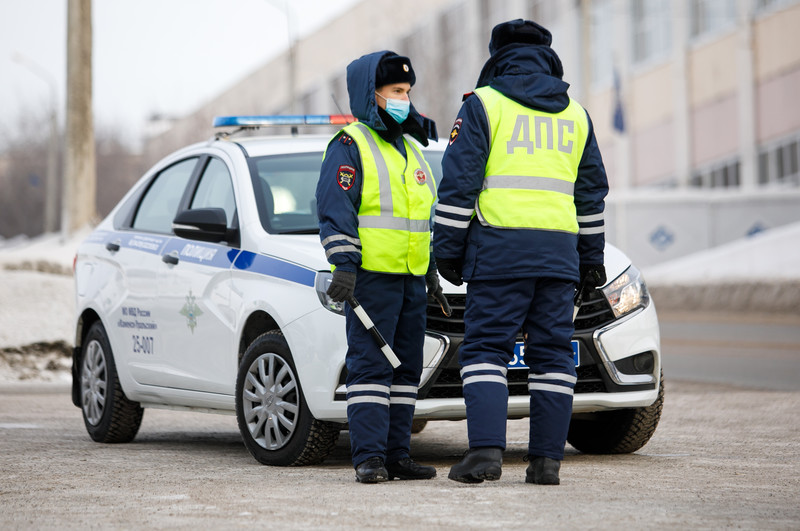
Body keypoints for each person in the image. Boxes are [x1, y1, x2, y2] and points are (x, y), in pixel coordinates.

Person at [433, 19, 609, 485]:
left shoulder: (483, 106)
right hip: (559, 257)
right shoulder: (575, 114)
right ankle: (547, 463)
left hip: (499, 252)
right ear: (547, 55)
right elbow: (590, 195)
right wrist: (591, 257)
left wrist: (446, 250)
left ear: (496, 55)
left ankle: (485, 455)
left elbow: (458, 186)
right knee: (553, 356)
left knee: (487, 351)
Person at [316, 51, 449, 483]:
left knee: (407, 368)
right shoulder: (350, 145)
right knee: (372, 368)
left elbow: (421, 218)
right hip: (371, 279)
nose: (404, 100)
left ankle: (397, 455)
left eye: (408, 92)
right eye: (396, 92)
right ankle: (369, 458)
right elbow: (336, 210)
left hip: (411, 279)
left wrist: (430, 273)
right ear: (371, 95)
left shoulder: (411, 148)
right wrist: (344, 265)